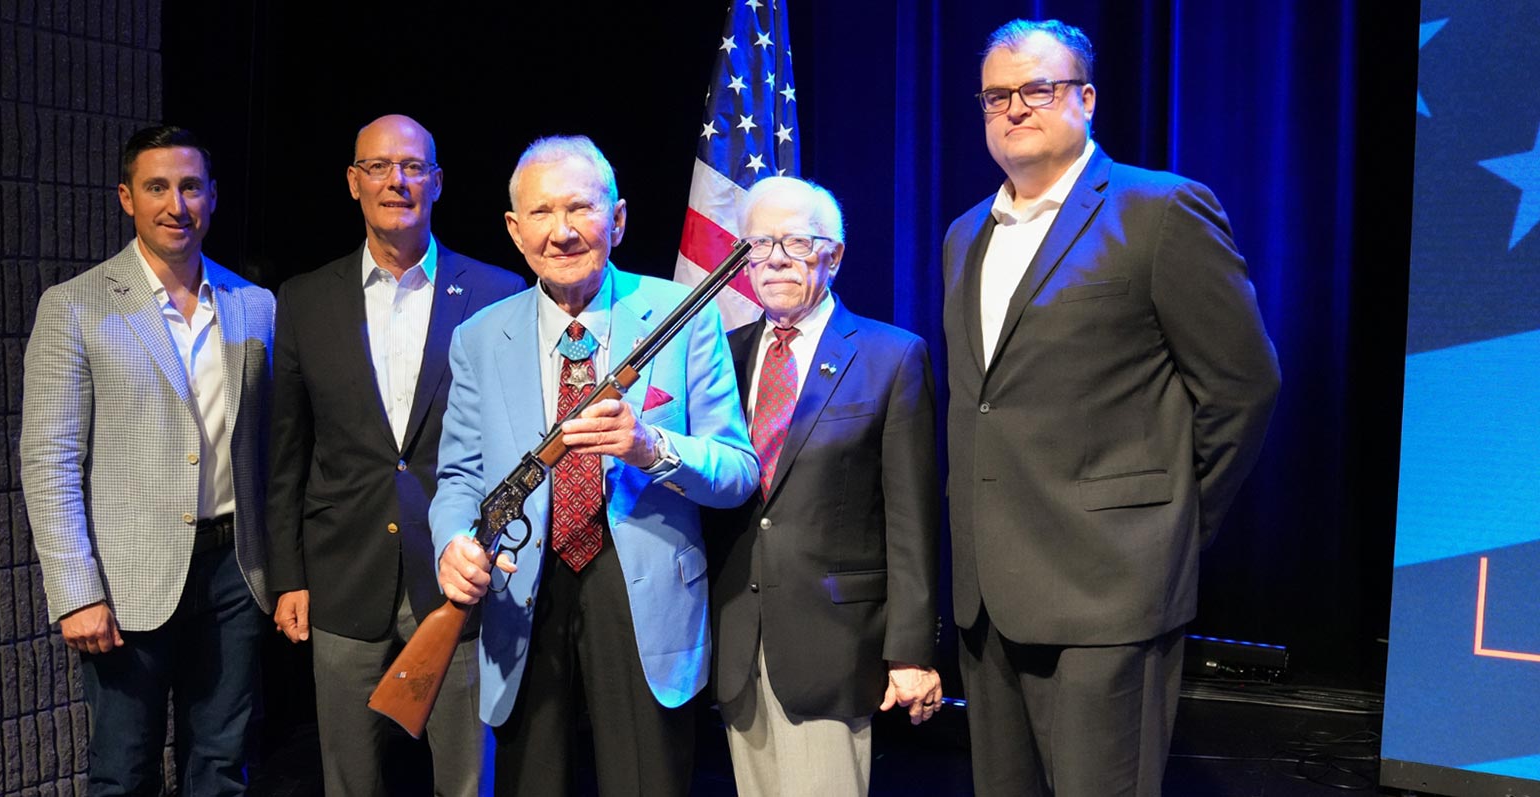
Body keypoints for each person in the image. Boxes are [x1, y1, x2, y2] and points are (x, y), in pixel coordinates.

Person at [940, 19, 1281, 797]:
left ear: (1085, 99)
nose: (1015, 108)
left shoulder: (1159, 211)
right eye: (997, 95)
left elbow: (1242, 386)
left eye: (1038, 89)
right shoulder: (966, 234)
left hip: (1110, 594)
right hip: (988, 600)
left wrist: (1170, 523)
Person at [431, 135, 758, 796]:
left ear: (620, 219)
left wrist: (651, 448)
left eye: (581, 208)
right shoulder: (477, 337)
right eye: (543, 213)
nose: (563, 230)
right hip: (520, 592)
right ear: (514, 230)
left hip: (645, 598)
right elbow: (460, 477)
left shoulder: (683, 316)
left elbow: (736, 469)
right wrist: (452, 543)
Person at [264, 114, 523, 797]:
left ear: (437, 182)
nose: (396, 181)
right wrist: (288, 575)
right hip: (343, 577)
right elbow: (287, 451)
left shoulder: (500, 293)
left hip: (461, 579)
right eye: (378, 167)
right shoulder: (304, 299)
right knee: (351, 782)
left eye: (412, 167)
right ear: (353, 183)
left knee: (470, 780)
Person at [21, 125, 275, 796]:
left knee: (222, 766)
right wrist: (76, 592)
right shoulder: (74, 306)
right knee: (123, 771)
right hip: (125, 578)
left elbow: (273, 449)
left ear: (213, 198)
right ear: (126, 198)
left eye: (190, 186)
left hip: (234, 573)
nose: (176, 204)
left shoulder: (257, 306)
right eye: (157, 187)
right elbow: (49, 459)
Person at [706, 176, 943, 796]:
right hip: (737, 637)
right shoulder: (718, 359)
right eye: (759, 244)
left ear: (833, 255)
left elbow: (913, 522)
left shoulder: (892, 357)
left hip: (837, 648)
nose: (776, 258)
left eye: (797, 242)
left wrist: (912, 652)